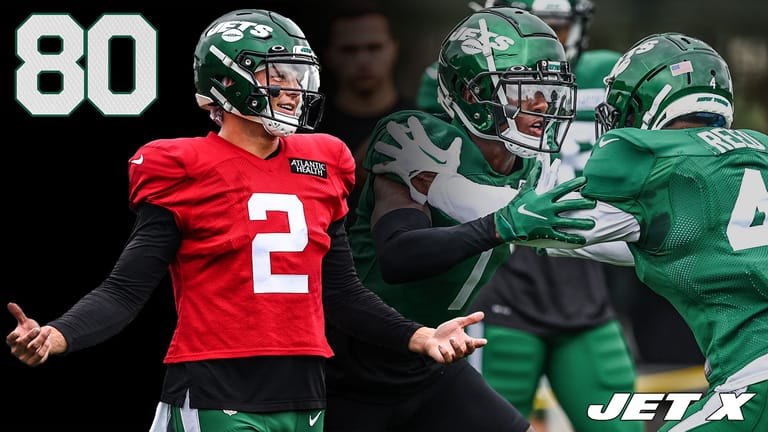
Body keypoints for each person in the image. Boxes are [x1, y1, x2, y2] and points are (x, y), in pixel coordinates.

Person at [5, 9, 489, 432]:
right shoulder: (182, 165)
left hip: (305, 394)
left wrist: (420, 335)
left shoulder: (324, 160)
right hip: (217, 388)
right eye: (277, 73)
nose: (293, 88)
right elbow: (127, 289)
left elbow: (341, 293)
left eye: (297, 73)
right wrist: (60, 334)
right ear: (229, 81)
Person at [393, 31, 768, 432]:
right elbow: (660, 243)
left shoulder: (652, 158)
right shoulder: (756, 150)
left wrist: (431, 183)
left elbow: (550, 222)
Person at [323, 6, 598, 432]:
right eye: (526, 92)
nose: (544, 106)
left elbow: (581, 232)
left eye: (549, 91)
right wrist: (500, 224)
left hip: (431, 365)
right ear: (474, 94)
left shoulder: (532, 165)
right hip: (354, 371)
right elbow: (399, 255)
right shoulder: (418, 136)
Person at [463, 2, 642, 431]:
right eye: (542, 28)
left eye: (560, 28)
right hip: (500, 293)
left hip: (586, 293)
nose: (555, 42)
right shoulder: (471, 80)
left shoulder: (608, 75)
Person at [317, 0, 417, 227]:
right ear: (329, 55)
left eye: (373, 47)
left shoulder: (420, 123)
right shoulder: (307, 130)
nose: (363, 60)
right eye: (349, 50)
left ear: (394, 49)